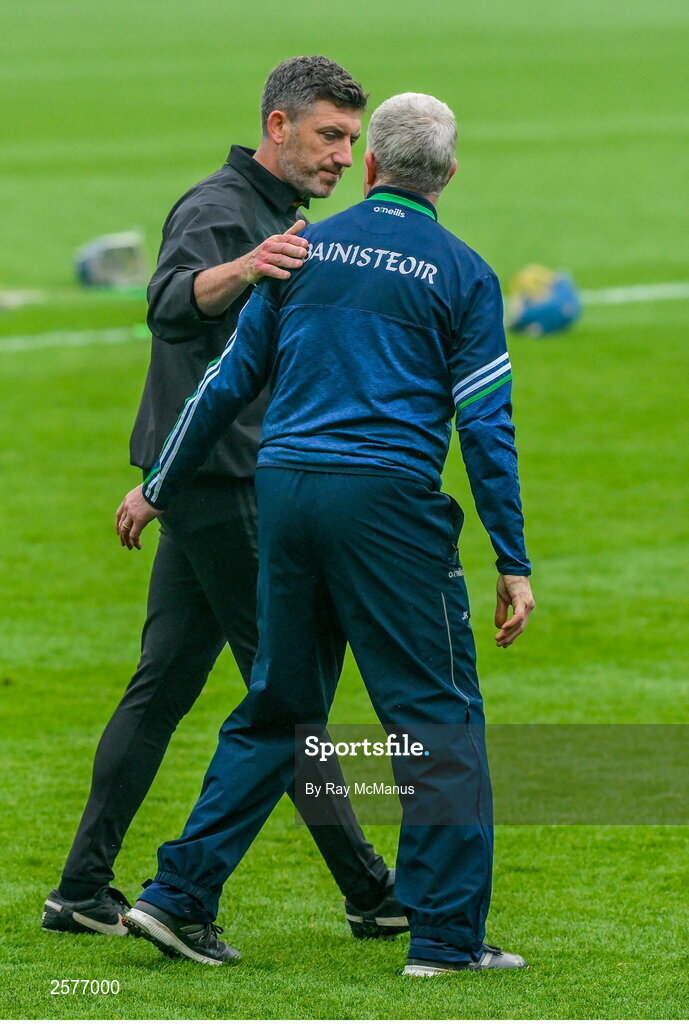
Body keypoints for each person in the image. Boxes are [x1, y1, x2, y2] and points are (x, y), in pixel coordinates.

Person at [116, 91, 536, 975]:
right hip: (384, 508)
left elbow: (224, 385)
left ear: (373, 167)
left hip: (284, 495)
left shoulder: (300, 252)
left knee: (279, 704)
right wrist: (511, 557)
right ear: (447, 175)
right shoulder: (462, 273)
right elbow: (485, 428)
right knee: (435, 717)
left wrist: (159, 484)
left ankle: (176, 894)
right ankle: (447, 940)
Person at [42, 56, 407, 943]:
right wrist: (244, 266)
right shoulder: (219, 211)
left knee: (161, 689)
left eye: (350, 141)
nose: (339, 156)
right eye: (327, 135)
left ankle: (81, 889)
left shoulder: (279, 212)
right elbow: (170, 306)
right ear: (277, 126)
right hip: (231, 493)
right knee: (284, 700)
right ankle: (367, 892)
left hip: (202, 483)